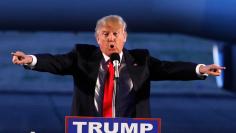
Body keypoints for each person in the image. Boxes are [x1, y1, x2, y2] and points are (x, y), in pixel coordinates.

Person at [12, 15, 225, 118]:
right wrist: (30, 59)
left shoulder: (141, 60)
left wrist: (200, 69)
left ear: (125, 37)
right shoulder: (82, 56)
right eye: (106, 35)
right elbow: (56, 62)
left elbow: (170, 68)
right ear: (97, 38)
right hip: (89, 128)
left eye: (116, 34)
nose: (111, 39)